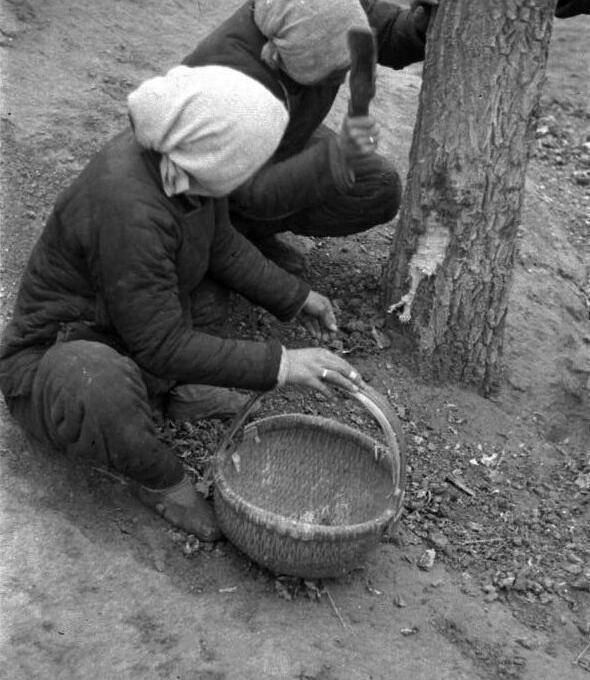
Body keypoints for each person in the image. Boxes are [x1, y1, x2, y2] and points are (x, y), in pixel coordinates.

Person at [0, 65, 365, 541]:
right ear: (217, 155)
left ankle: (170, 392)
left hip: (123, 324)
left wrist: (297, 298)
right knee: (96, 383)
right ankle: (158, 480)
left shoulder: (183, 164)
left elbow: (221, 246)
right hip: (55, 357)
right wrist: (283, 364)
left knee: (205, 292)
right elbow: (159, 343)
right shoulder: (129, 208)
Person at [182, 0, 439, 272]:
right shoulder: (227, 84)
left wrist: (422, 23)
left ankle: (249, 232)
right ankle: (231, 240)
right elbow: (232, 191)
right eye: (334, 71)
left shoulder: (333, 7)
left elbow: (384, 33)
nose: (343, 77)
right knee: (207, 304)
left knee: (377, 186)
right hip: (211, 185)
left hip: (286, 137)